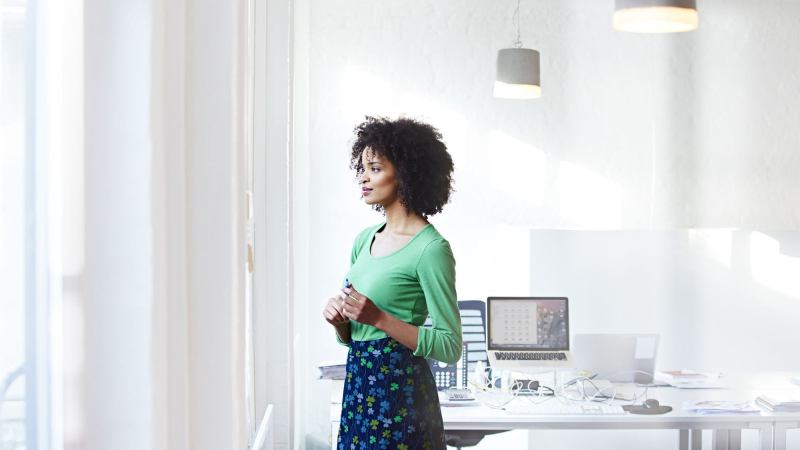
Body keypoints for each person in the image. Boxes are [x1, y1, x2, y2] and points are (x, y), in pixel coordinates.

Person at [322, 116, 462, 450]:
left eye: (374, 168)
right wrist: (341, 323)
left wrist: (379, 318)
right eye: (362, 169)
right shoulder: (364, 240)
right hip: (359, 388)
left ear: (406, 173)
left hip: (402, 396)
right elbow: (356, 334)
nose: (363, 178)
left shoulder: (431, 249)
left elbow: (450, 346)